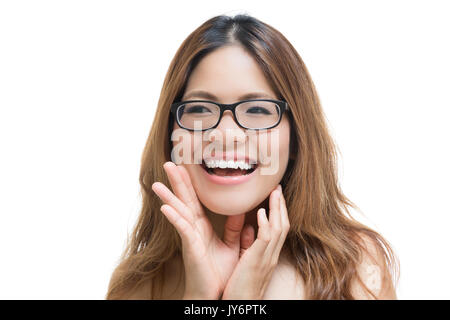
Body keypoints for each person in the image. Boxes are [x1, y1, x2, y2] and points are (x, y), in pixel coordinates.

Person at [106, 14, 399, 300]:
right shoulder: (137, 287)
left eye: (258, 110)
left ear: (297, 137)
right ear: (170, 134)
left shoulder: (356, 270)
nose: (226, 134)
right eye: (199, 109)